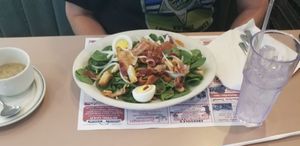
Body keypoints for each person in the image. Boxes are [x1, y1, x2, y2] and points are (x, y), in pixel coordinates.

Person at [65, 0, 269, 36]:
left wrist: (229, 46)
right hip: (122, 51)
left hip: (205, 56)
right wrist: (109, 54)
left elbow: (255, 5)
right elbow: (78, 13)